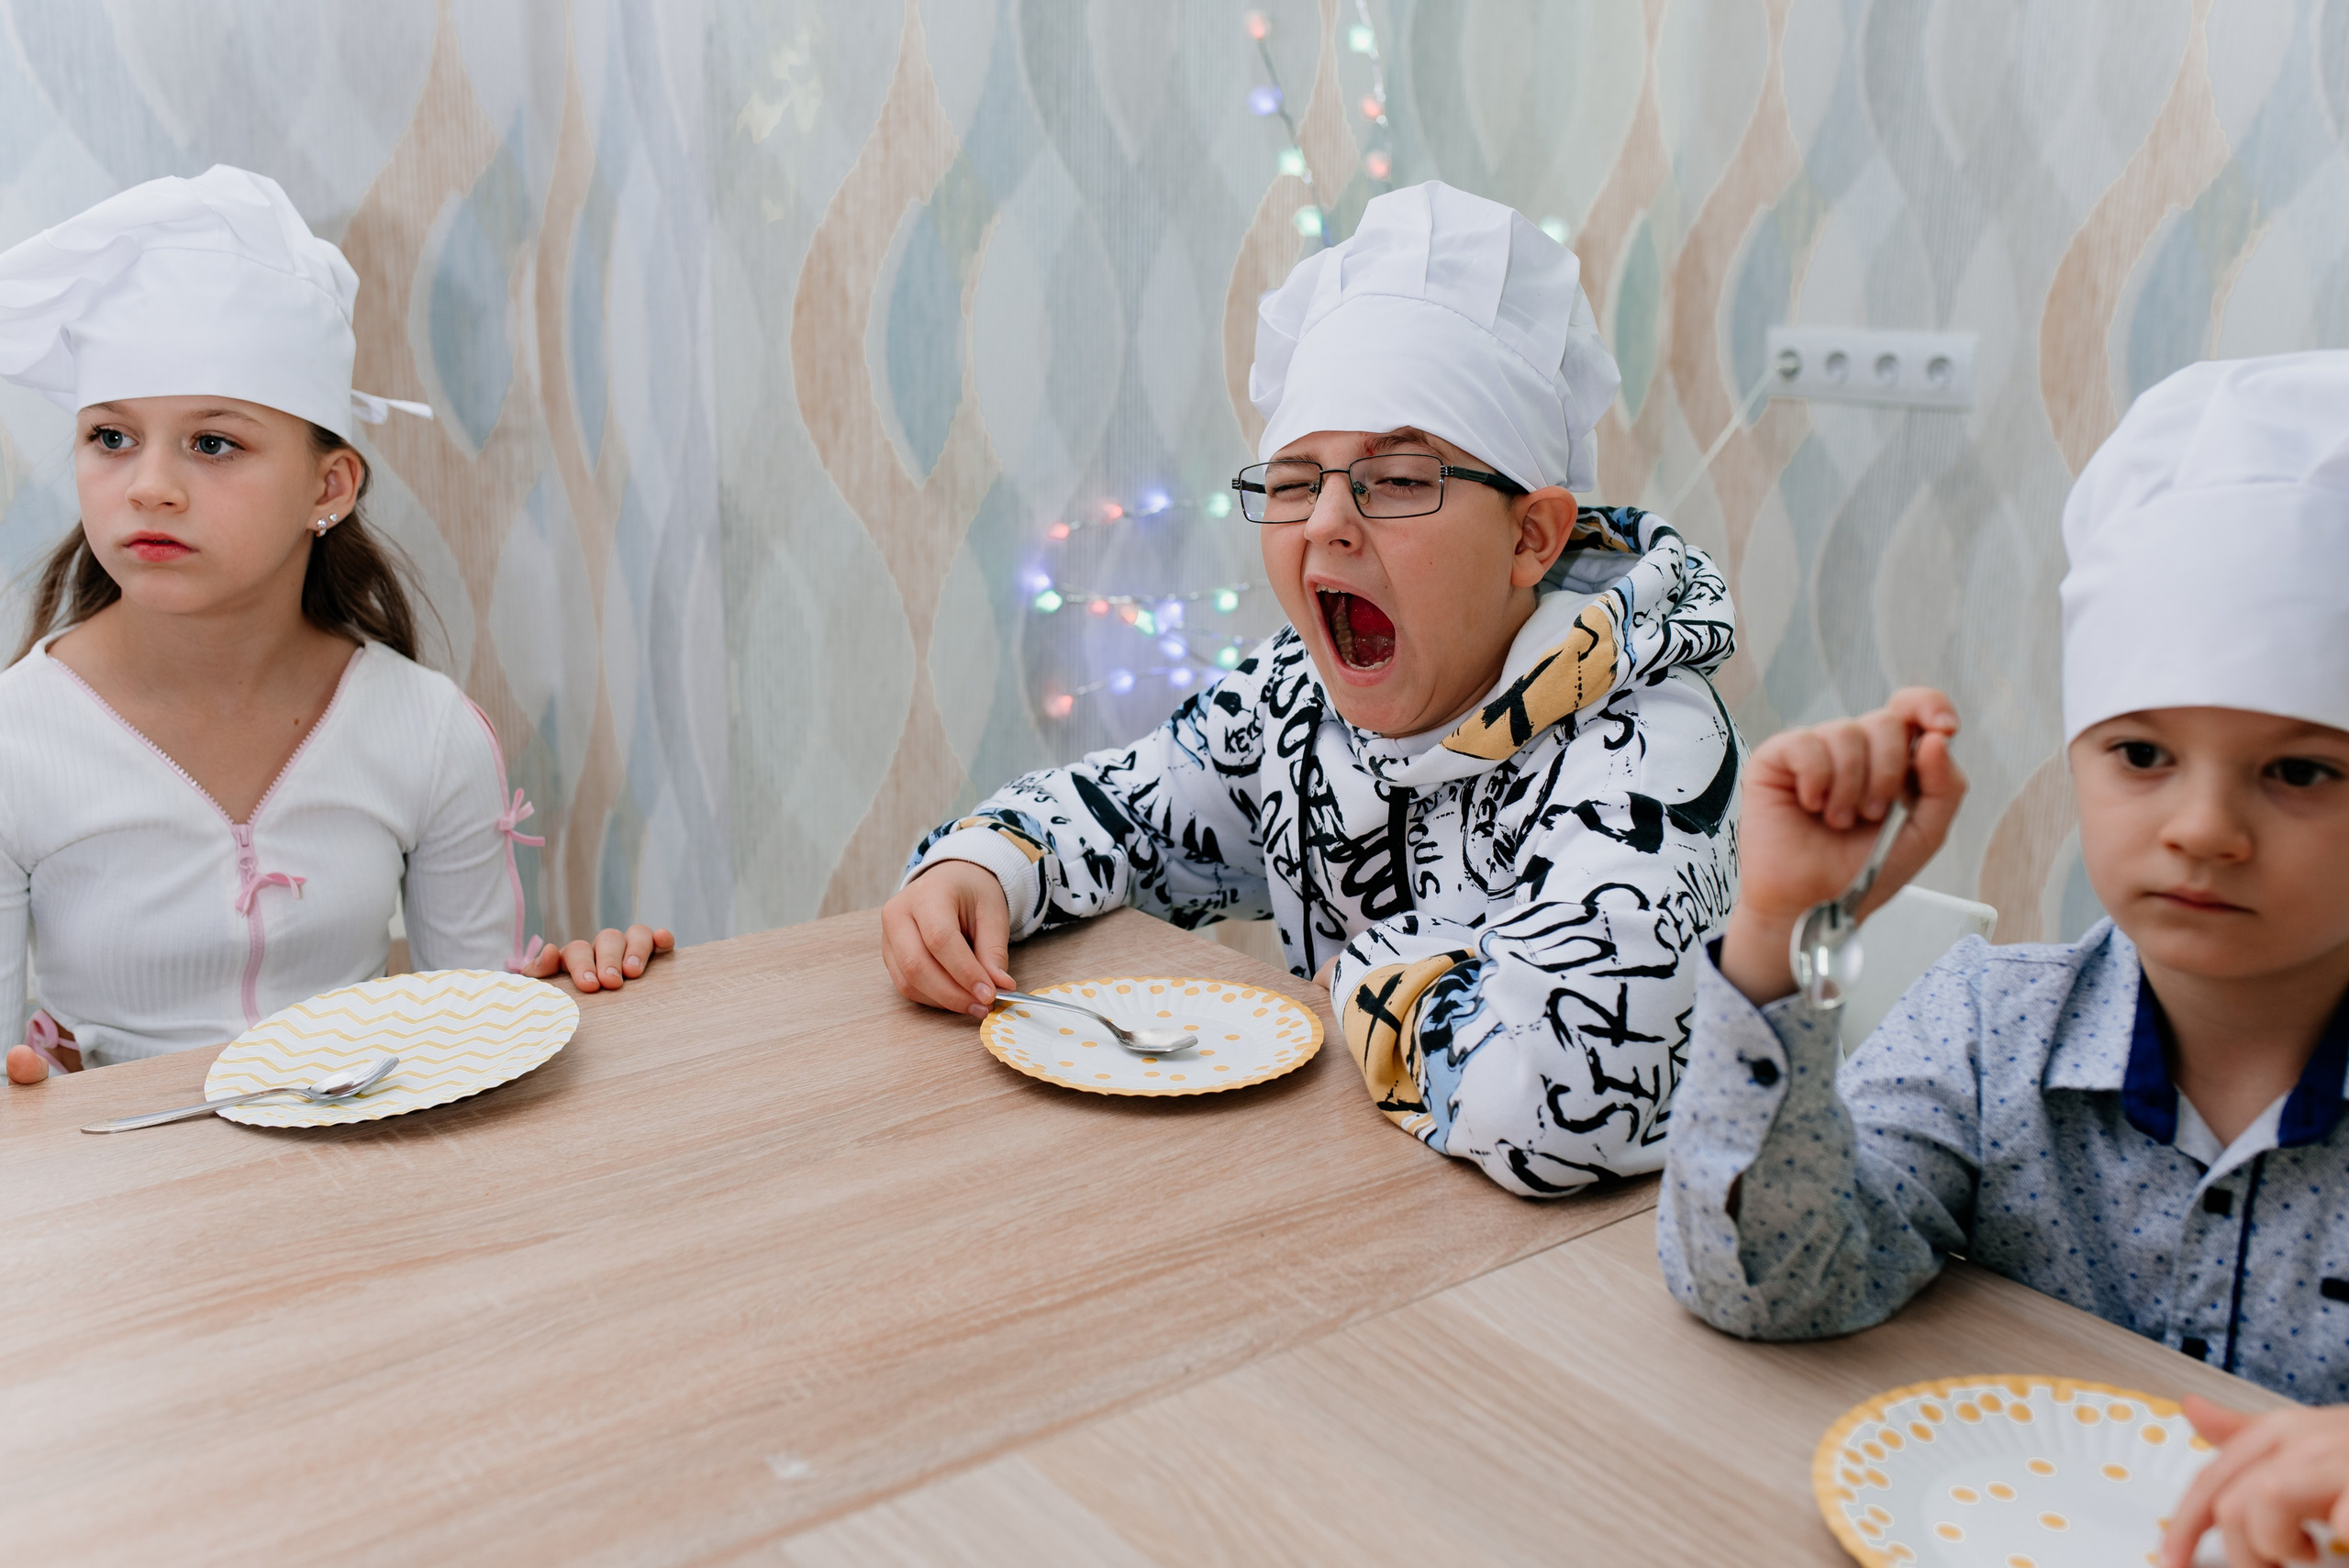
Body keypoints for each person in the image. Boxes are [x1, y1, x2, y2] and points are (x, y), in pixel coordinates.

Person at [882, 182, 1742, 1195]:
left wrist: (1359, 980)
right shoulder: (1296, 702)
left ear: (1530, 535)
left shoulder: (1649, 748)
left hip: (1590, 1299)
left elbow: (1549, 1105)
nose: (1326, 522)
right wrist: (981, 867)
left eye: (1399, 477)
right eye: (1294, 481)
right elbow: (1118, 814)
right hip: (1362, 1221)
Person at [1651, 352, 2349, 1568]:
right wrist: (1782, 924)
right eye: (2140, 754)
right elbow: (1772, 1281)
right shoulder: (1993, 1027)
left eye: (2299, 771)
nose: (2202, 827)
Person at [0, 166, 670, 1085]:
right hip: (112, 1205)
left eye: (213, 442)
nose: (149, 484)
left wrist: (585, 989)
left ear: (329, 486)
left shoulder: (428, 733)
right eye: (111, 437)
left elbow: (479, 1038)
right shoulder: (14, 740)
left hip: (368, 1205)